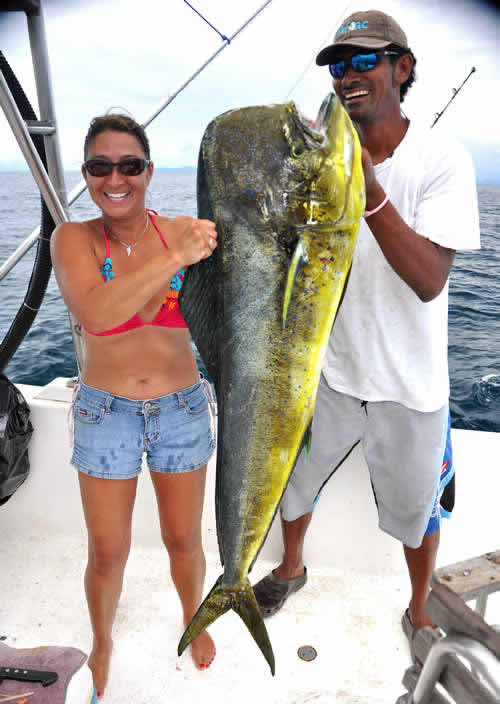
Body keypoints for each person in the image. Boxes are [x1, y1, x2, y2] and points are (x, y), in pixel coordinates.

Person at [253, 9, 480, 650]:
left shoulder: (442, 160)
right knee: (292, 482)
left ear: (401, 69)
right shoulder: (323, 157)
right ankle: (292, 567)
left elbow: (430, 278)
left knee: (417, 513)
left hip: (410, 384)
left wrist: (369, 190)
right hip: (331, 369)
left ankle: (420, 609)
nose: (347, 76)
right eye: (337, 66)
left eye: (364, 61)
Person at [51, 113, 218, 697]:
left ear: (148, 171)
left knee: (184, 541)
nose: (114, 178)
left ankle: (193, 615)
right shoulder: (72, 239)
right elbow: (96, 315)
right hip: (105, 412)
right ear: (87, 175)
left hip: (183, 408)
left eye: (129, 166)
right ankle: (101, 641)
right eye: (101, 167)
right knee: (107, 551)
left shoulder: (185, 230)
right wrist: (175, 257)